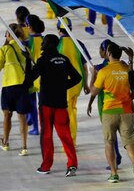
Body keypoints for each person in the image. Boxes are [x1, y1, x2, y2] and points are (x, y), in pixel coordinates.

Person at [24, 34, 81, 176]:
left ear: (49, 44)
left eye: (44, 42)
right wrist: (62, 86)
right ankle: (72, 164)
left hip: (46, 104)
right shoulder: (64, 60)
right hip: (61, 103)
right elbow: (77, 77)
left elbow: (29, 79)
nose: (42, 44)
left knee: (47, 136)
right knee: (65, 135)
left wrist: (26, 61)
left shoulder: (43, 60)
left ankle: (46, 166)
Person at [87, 43, 134, 184]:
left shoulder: (104, 71)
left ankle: (114, 173)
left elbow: (93, 91)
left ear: (109, 53)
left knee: (109, 143)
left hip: (109, 112)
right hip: (126, 111)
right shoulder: (126, 69)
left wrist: (93, 74)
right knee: (130, 143)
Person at [0, 24, 32, 155]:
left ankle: (6, 142)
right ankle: (24, 147)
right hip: (22, 86)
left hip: (8, 86)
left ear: (9, 35)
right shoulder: (25, 49)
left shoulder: (5, 49)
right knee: (22, 117)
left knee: (7, 115)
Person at [57, 21, 89, 144]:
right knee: (72, 110)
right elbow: (85, 67)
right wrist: (85, 84)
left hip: (62, 85)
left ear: (59, 30)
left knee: (65, 113)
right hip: (77, 84)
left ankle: (68, 141)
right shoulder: (78, 43)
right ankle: (72, 140)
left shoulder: (57, 44)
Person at [25, 14, 44, 136]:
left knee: (31, 103)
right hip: (44, 76)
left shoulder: (27, 42)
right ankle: (43, 127)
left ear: (29, 27)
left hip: (33, 77)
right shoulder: (44, 39)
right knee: (41, 105)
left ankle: (35, 127)